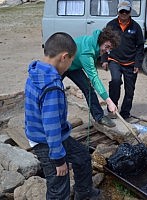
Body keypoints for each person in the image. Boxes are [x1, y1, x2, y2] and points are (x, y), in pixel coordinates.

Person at [24, 32, 100, 200]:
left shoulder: (35, 72)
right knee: (59, 185)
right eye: (72, 61)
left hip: (50, 136)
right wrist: (59, 160)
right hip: (46, 142)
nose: (70, 66)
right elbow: (51, 126)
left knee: (82, 157)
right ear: (64, 57)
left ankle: (84, 194)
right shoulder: (52, 86)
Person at [62, 27, 120, 127]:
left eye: (110, 49)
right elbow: (94, 77)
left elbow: (91, 70)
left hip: (74, 66)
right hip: (61, 65)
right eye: (107, 47)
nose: (107, 51)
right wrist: (109, 101)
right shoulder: (87, 52)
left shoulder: (95, 44)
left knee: (88, 89)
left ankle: (99, 117)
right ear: (101, 41)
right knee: (54, 92)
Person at [103, 0, 145, 121]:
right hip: (114, 60)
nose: (124, 13)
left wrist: (138, 63)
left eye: (126, 11)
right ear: (118, 11)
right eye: (121, 11)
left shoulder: (136, 27)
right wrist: (105, 60)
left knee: (130, 89)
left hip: (131, 63)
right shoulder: (111, 25)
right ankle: (112, 108)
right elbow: (104, 43)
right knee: (115, 81)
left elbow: (140, 46)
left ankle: (125, 113)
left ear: (130, 12)